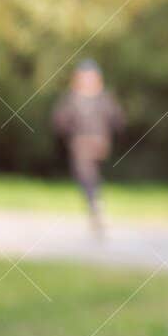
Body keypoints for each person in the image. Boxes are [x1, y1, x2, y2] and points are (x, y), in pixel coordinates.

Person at [50, 59, 126, 240]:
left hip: (95, 142)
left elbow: (118, 119)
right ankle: (95, 202)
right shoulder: (72, 98)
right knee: (86, 173)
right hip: (80, 141)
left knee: (86, 171)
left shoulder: (104, 98)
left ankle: (94, 202)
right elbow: (60, 121)